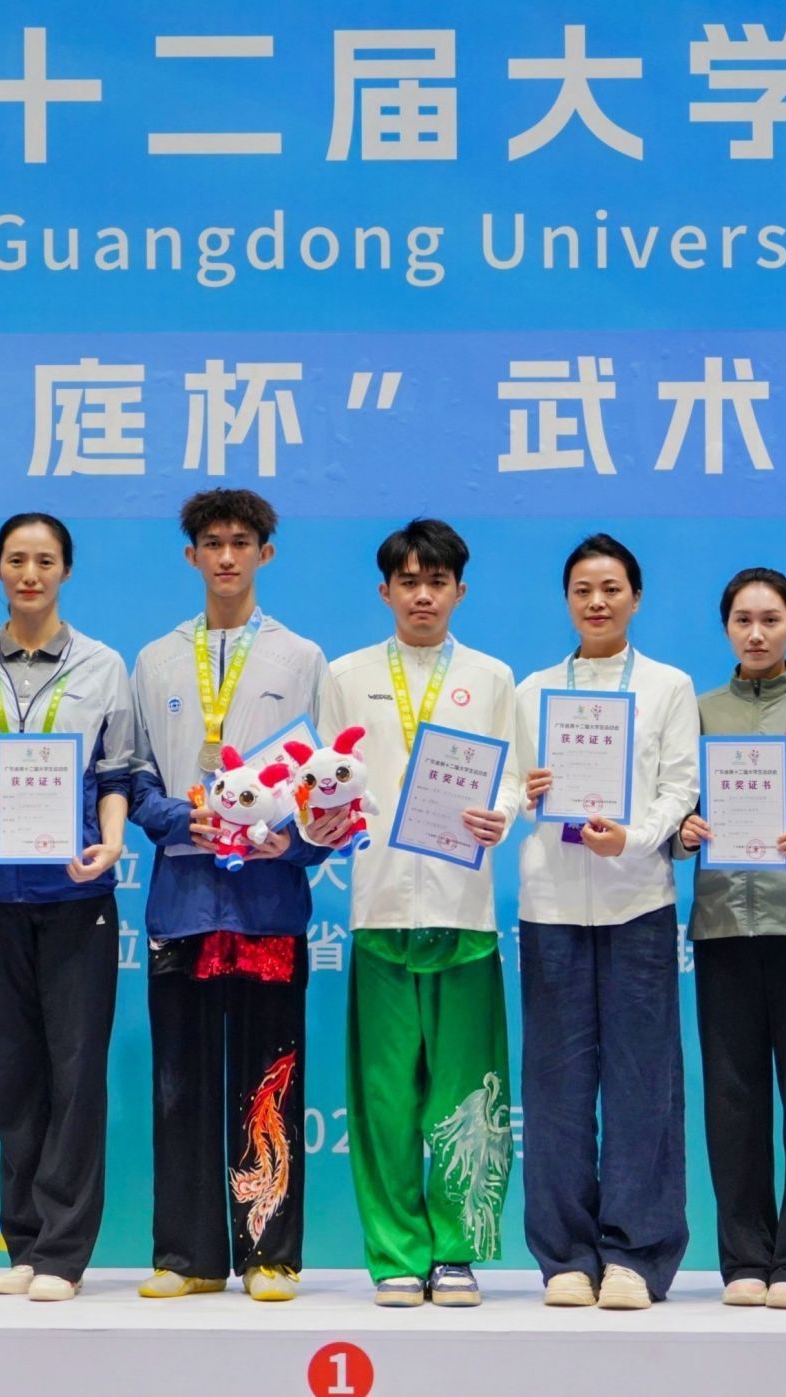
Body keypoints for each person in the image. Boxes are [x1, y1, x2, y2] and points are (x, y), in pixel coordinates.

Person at [126, 489, 346, 1302]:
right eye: (212, 542)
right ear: (191, 555)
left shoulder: (304, 658)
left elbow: (331, 782)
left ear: (265, 553)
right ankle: (187, 1255)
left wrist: (299, 839)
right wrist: (173, 815)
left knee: (269, 1083)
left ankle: (269, 1255)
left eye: (241, 541)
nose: (226, 555)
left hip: (267, 904)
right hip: (183, 901)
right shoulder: (155, 659)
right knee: (179, 1083)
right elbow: (134, 778)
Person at [320, 519, 519, 1308]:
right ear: (385, 591)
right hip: (379, 906)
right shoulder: (346, 675)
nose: (423, 595)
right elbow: (324, 777)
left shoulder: (492, 677)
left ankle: (458, 1250)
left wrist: (503, 811)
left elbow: (513, 775)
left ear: (460, 590)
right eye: (409, 581)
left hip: (464, 909)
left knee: (468, 1093)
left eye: (437, 581)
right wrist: (323, 813)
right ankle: (396, 1253)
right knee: (384, 1097)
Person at [0, 513, 135, 1303]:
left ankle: (62, 1251)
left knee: (76, 1072)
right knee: (14, 1069)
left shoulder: (103, 664)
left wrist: (113, 842)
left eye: (45, 560)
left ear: (66, 571)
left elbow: (117, 772)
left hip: (75, 888)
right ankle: (21, 1240)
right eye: (17, 559)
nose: (30, 573)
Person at [512, 533, 698, 1311]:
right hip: (551, 904)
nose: (597, 601)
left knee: (643, 1083)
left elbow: (681, 785)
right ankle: (564, 1255)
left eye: (612, 587)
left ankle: (635, 1255)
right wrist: (526, 791)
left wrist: (637, 837)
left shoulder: (668, 686)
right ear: (566, 600)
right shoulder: (531, 690)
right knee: (554, 1086)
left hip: (638, 901)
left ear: (636, 597)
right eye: (583, 589)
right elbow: (508, 789)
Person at [675, 567, 786, 1311]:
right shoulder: (697, 711)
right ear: (726, 628)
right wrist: (684, 831)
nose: (756, 633)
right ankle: (745, 1258)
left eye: (771, 619)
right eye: (743, 620)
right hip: (722, 924)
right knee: (732, 1099)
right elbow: (673, 805)